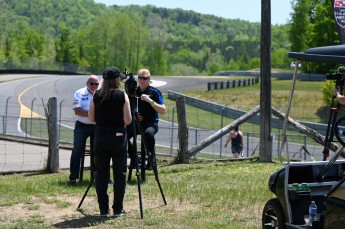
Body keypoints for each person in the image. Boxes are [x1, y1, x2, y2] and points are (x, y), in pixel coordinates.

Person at [88, 66, 132, 217]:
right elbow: (127, 120)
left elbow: (91, 118)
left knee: (101, 174)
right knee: (119, 174)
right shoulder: (122, 95)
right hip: (118, 137)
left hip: (100, 136)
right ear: (117, 80)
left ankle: (103, 209)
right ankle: (118, 209)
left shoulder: (96, 95)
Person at [128, 68, 166, 170]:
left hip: (151, 123)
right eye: (140, 78)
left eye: (145, 78)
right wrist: (133, 117)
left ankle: (151, 160)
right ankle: (135, 158)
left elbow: (163, 110)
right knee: (122, 134)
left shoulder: (154, 92)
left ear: (149, 79)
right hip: (135, 122)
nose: (142, 80)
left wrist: (150, 101)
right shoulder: (133, 91)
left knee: (148, 134)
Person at [69, 74, 99, 185]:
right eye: (92, 83)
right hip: (82, 125)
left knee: (100, 149)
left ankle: (98, 175)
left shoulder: (100, 93)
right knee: (77, 149)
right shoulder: (79, 93)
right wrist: (92, 114)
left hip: (97, 125)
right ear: (87, 84)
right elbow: (77, 111)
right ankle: (73, 177)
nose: (94, 86)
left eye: (96, 84)